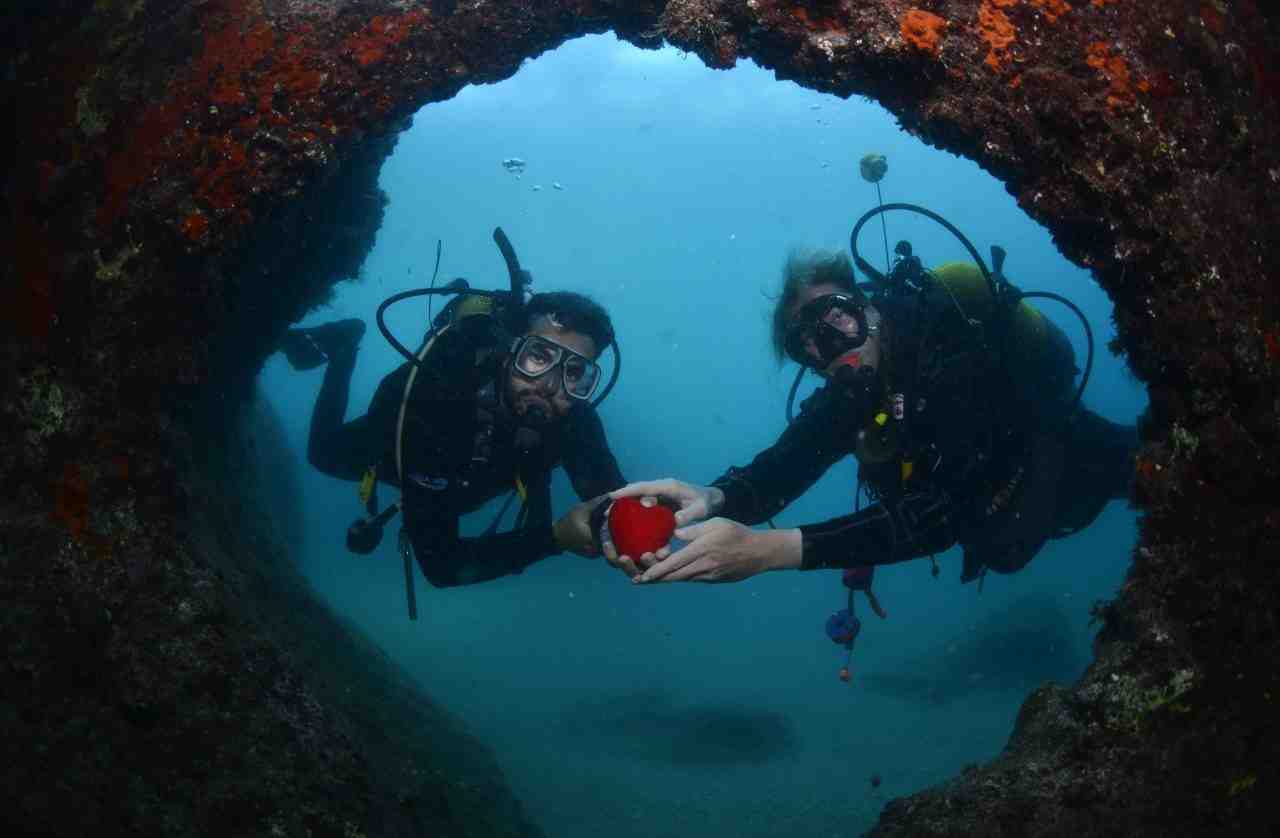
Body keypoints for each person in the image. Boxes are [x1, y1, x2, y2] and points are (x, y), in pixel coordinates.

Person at [606, 247, 1136, 587]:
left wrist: (769, 551)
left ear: (869, 307)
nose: (829, 348)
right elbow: (778, 471)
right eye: (806, 345)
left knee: (1160, 472)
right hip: (1004, 529)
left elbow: (943, 513)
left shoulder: (942, 345)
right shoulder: (849, 396)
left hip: (1071, 460)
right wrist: (710, 497)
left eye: (836, 317)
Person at [282, 289, 623, 587]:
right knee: (322, 454)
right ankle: (344, 348)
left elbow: (613, 501)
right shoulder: (441, 400)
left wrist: (642, 523)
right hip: (397, 452)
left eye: (576, 372)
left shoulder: (574, 417)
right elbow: (442, 567)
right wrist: (556, 537)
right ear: (509, 351)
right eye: (538, 356)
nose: (550, 386)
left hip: (465, 484)